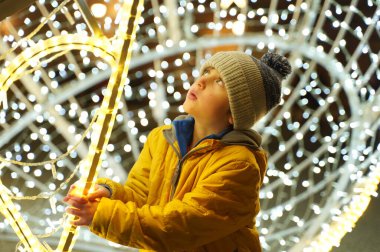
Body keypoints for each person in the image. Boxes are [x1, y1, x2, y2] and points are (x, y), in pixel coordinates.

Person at [64, 51, 292, 251]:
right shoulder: (162, 138)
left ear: (236, 113)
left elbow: (178, 227)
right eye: (207, 72)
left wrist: (102, 214)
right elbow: (141, 197)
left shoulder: (240, 165)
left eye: (219, 82)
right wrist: (107, 192)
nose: (201, 81)